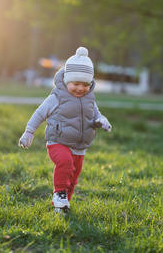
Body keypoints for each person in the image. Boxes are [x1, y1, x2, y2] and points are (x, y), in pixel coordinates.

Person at [19, 47, 112, 213]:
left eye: (85, 84)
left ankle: (62, 205)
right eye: (75, 84)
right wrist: (29, 132)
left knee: (73, 177)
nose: (80, 88)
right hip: (59, 142)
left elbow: (96, 115)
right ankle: (59, 193)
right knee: (65, 164)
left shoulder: (90, 98)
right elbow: (39, 114)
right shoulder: (57, 97)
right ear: (67, 80)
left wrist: (102, 121)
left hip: (80, 147)